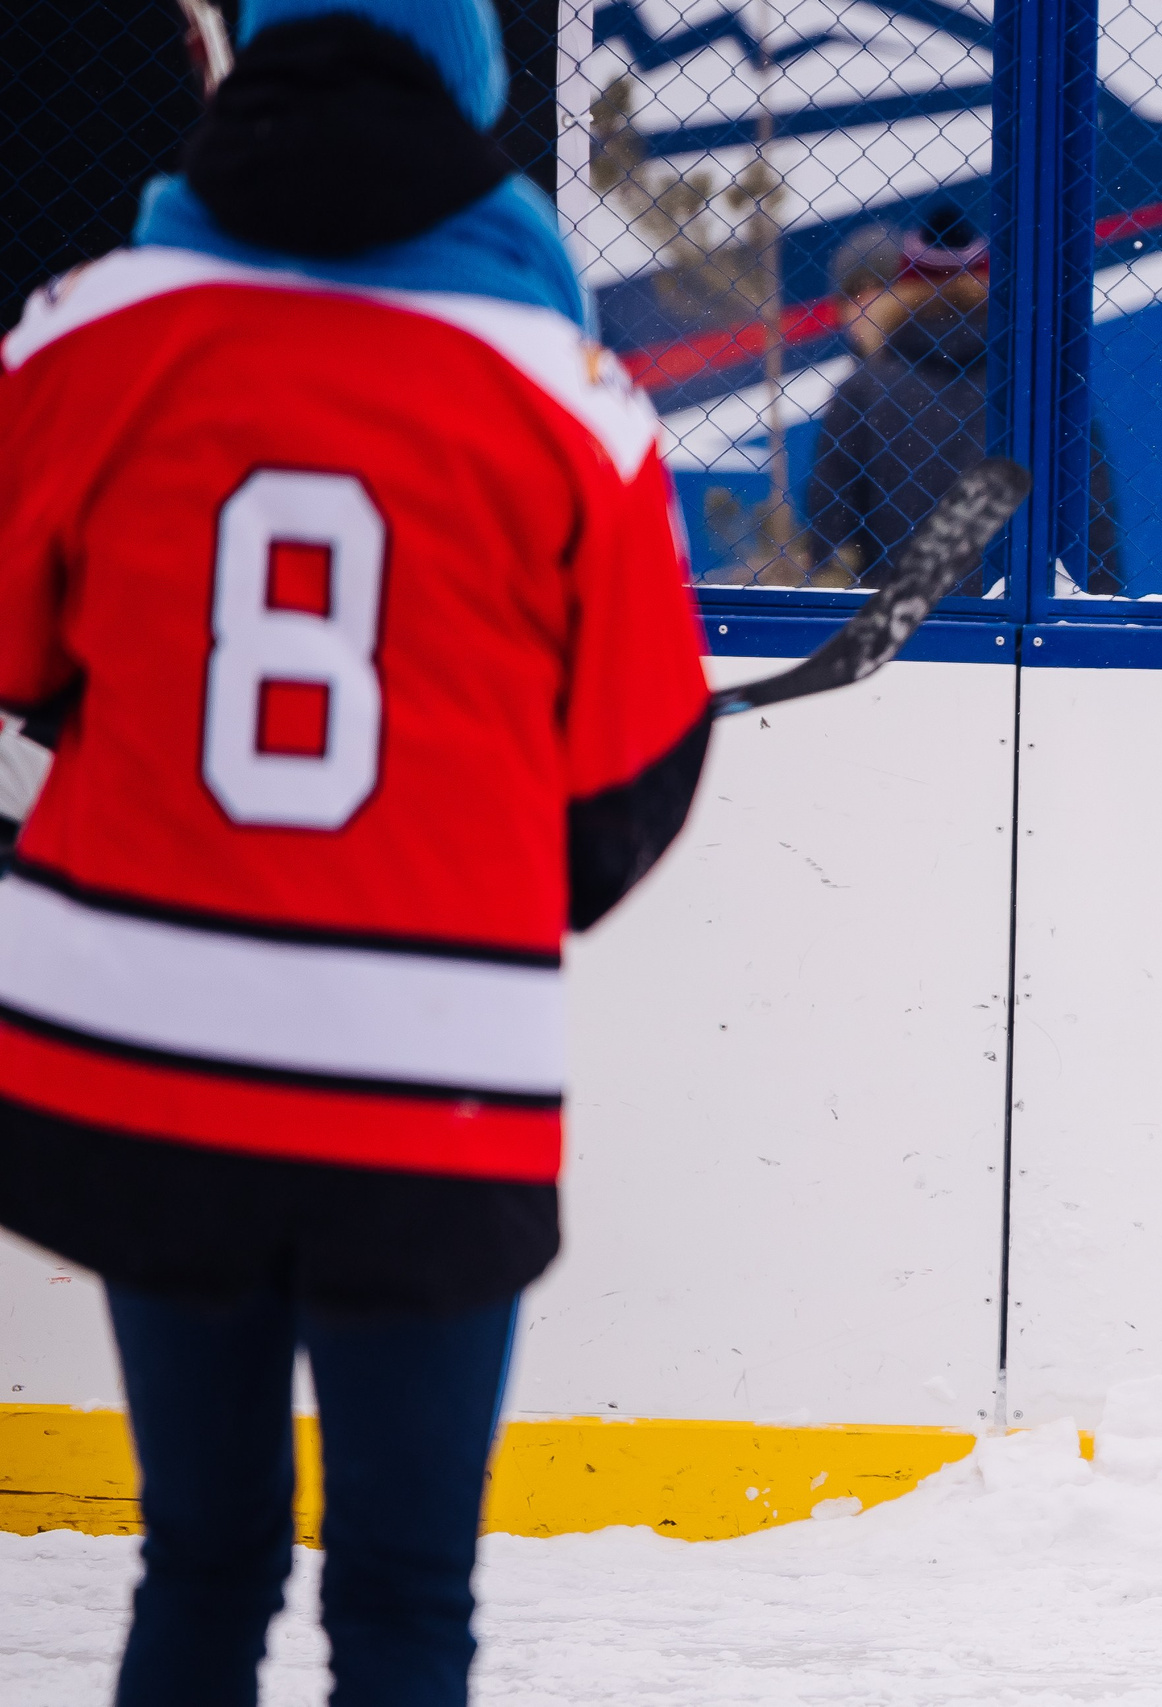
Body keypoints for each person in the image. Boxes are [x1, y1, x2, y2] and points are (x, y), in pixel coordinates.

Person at [0, 3, 709, 1702]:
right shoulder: (567, 396)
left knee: (202, 1559)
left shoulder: (85, 332)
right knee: (403, 1598)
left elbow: (26, 667)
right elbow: (623, 801)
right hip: (429, 1085)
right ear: (471, 90)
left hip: (144, 1066)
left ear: (240, 61)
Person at [804, 202, 1123, 594]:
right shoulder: (1041, 388)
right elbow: (1090, 522)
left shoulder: (864, 392)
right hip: (1013, 621)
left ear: (899, 290)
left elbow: (833, 533)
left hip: (900, 628)